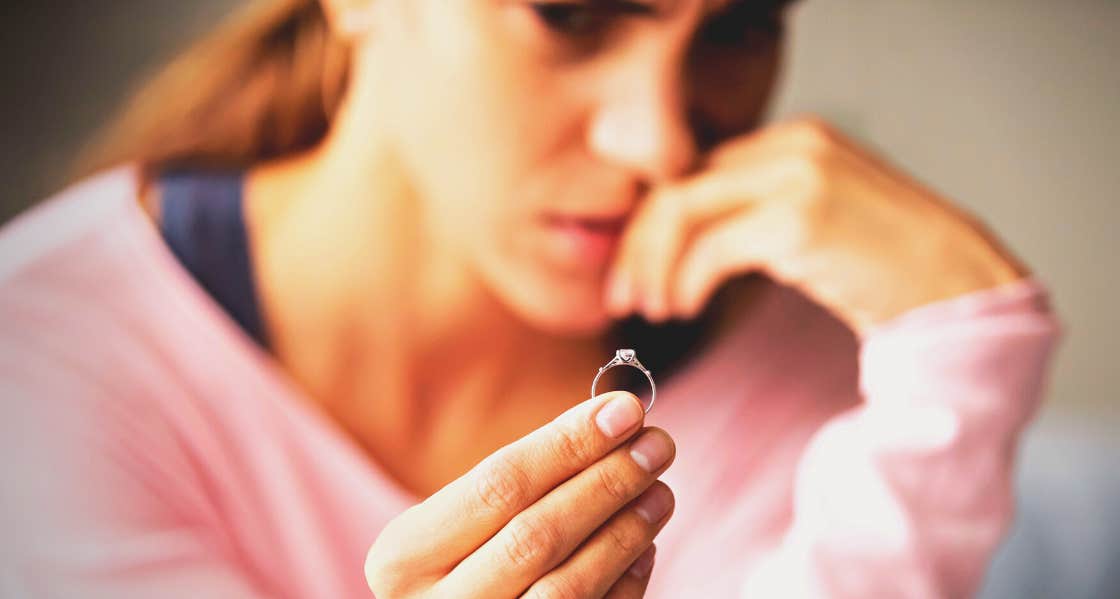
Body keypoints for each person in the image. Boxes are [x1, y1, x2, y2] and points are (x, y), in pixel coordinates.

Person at [0, 0, 1062, 597]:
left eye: (737, 27)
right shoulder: (38, 362)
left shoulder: (822, 361)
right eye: (573, 13)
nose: (661, 140)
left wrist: (961, 343)